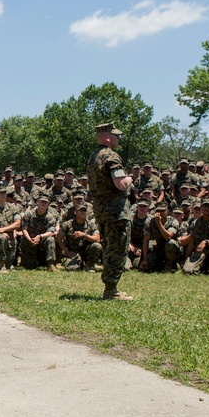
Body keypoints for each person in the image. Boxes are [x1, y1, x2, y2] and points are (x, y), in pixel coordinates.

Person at [86, 123, 133, 300]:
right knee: (117, 248)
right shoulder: (111, 157)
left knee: (109, 247)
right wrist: (130, 179)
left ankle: (111, 286)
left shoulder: (93, 157)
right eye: (116, 135)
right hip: (116, 213)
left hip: (101, 212)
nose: (118, 138)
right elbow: (120, 184)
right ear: (107, 137)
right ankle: (111, 289)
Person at [20, 196, 60, 271]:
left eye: (46, 202)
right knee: (29, 267)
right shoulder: (29, 214)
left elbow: (51, 232)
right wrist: (30, 240)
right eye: (42, 201)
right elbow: (24, 229)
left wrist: (39, 236)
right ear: (37, 202)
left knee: (50, 239)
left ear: (48, 204)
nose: (43, 204)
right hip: (30, 240)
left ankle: (51, 264)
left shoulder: (50, 216)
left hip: (42, 240)